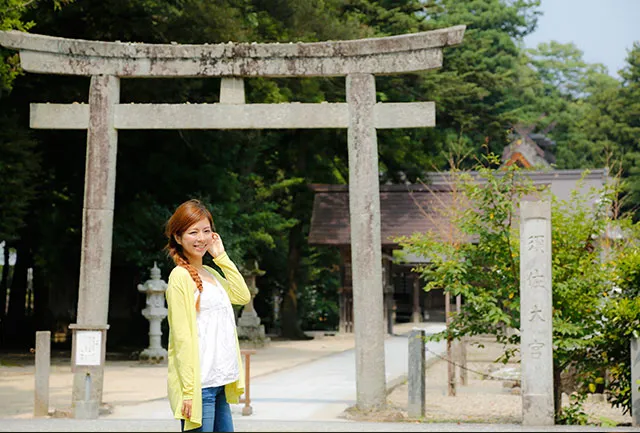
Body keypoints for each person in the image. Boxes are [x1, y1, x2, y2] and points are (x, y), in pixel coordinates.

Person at [164, 199, 251, 432]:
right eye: (193, 232)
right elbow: (181, 339)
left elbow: (242, 296)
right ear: (178, 237)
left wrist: (221, 256)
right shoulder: (179, 277)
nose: (201, 238)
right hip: (200, 387)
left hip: (220, 380)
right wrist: (189, 392)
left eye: (206, 231)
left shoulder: (211, 272)